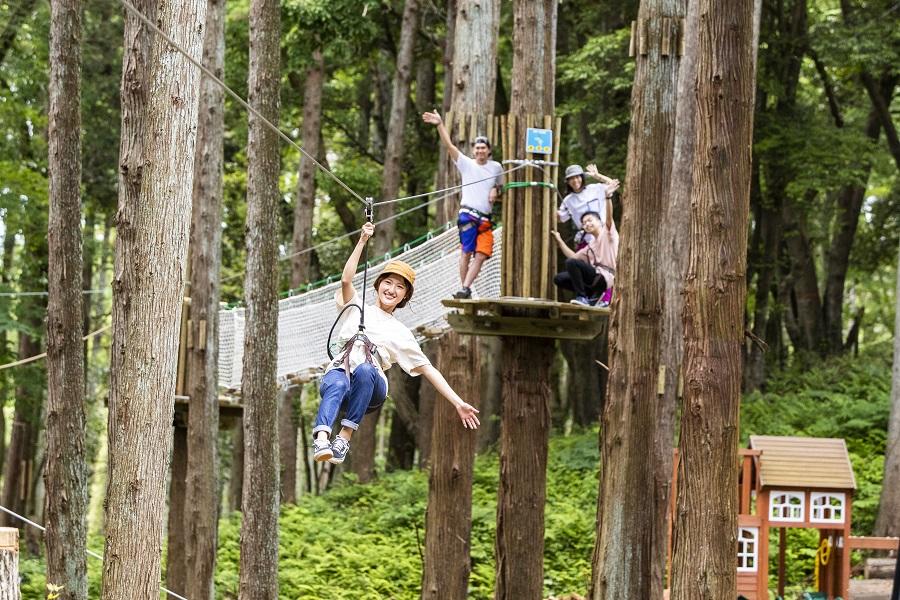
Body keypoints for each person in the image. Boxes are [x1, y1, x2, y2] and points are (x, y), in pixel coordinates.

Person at [312, 221, 481, 464]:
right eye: (388, 282)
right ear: (378, 284)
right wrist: (362, 240)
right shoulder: (355, 307)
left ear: (404, 296)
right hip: (341, 374)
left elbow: (428, 369)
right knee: (337, 381)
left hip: (370, 387)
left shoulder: (400, 332)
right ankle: (321, 438)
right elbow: (346, 280)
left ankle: (344, 438)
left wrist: (457, 402)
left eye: (399, 287)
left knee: (366, 369)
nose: (392, 289)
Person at [422, 110, 503, 299]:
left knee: (482, 254)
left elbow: (500, 186)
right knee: (466, 253)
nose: (480, 151)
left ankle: (465, 288)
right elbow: (449, 145)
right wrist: (440, 124)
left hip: (485, 220)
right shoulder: (467, 164)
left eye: (484, 148)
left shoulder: (496, 167)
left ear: (489, 151)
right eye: (477, 148)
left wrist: (496, 190)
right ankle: (465, 288)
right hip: (468, 215)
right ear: (473, 151)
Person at [551, 210, 618, 306]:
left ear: (599, 221)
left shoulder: (608, 234)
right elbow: (574, 257)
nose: (587, 224)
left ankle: (581, 297)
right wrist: (559, 240)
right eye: (584, 223)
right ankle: (591, 296)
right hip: (595, 278)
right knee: (559, 279)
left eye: (590, 220)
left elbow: (609, 218)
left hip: (606, 277)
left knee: (571, 263)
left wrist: (608, 198)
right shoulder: (590, 246)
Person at [558, 163, 620, 249]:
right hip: (587, 241)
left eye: (577, 177)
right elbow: (560, 218)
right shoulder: (568, 201)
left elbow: (613, 184)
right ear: (568, 182)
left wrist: (597, 176)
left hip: (606, 234)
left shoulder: (595, 189)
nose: (575, 180)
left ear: (582, 178)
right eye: (571, 178)